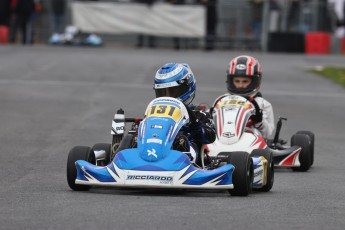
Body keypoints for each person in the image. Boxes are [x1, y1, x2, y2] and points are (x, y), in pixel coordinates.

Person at [154, 63, 216, 164]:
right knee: (134, 138)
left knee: (181, 140)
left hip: (189, 159)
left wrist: (194, 123)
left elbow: (210, 137)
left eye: (172, 92)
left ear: (187, 88)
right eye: (162, 93)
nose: (168, 97)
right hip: (156, 149)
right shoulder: (156, 113)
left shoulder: (199, 114)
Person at [213, 55, 274, 139]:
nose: (240, 85)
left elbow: (268, 134)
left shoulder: (262, 103)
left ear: (255, 81)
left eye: (245, 81)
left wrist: (259, 120)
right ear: (230, 80)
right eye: (237, 81)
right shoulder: (221, 100)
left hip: (250, 140)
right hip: (222, 137)